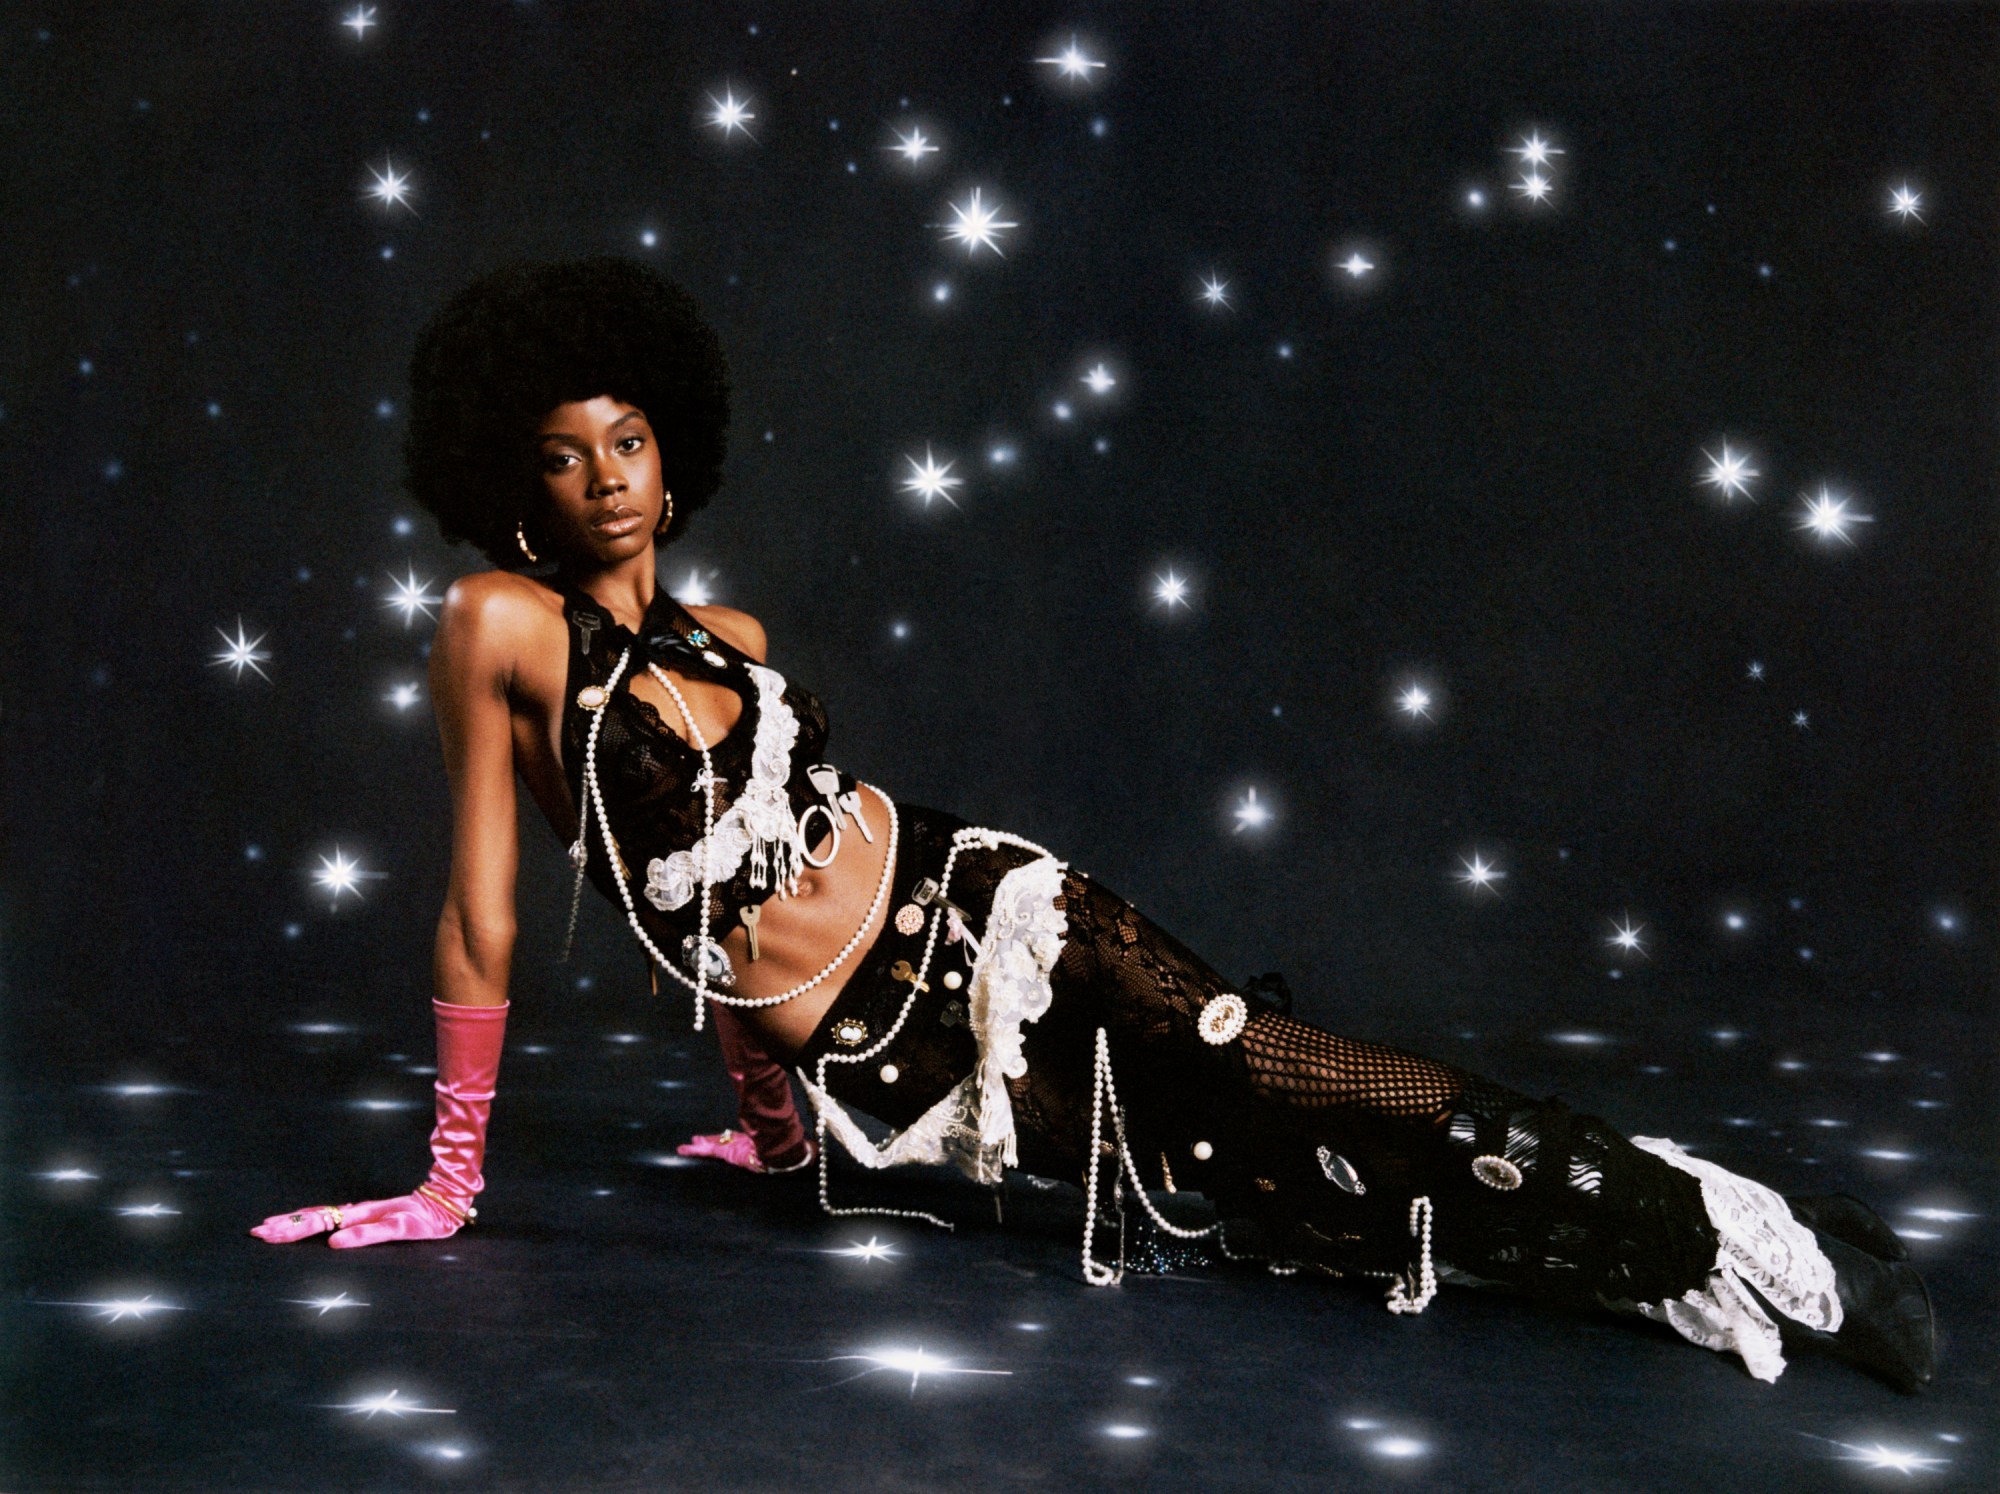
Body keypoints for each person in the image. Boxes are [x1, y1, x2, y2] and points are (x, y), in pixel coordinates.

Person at [252, 258, 1934, 1393]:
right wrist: (452, 1179)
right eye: (562, 455)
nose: (605, 475)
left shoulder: (737, 643)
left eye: (628, 442)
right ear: (512, 484)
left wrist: (759, 1112)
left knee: (1279, 1066)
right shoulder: (501, 632)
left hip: (991, 906)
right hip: (913, 1077)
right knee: (1269, 1198)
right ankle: (1693, 1239)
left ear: (672, 464)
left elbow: (754, 876)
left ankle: (1735, 1236)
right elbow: (527, 910)